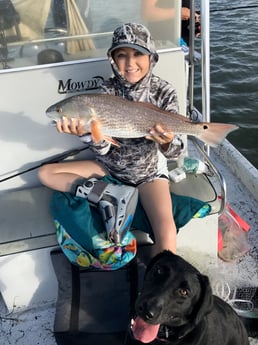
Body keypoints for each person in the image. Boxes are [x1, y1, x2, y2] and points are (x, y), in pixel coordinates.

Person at [38, 23, 184, 256]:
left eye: (138, 53)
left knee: (167, 236)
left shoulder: (164, 92)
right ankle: (111, 194)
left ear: (151, 56)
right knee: (45, 174)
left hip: (148, 174)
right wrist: (86, 134)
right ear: (113, 59)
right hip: (109, 168)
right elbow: (104, 151)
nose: (130, 62)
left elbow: (176, 153)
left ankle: (156, 288)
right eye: (122, 55)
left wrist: (166, 141)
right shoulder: (106, 90)